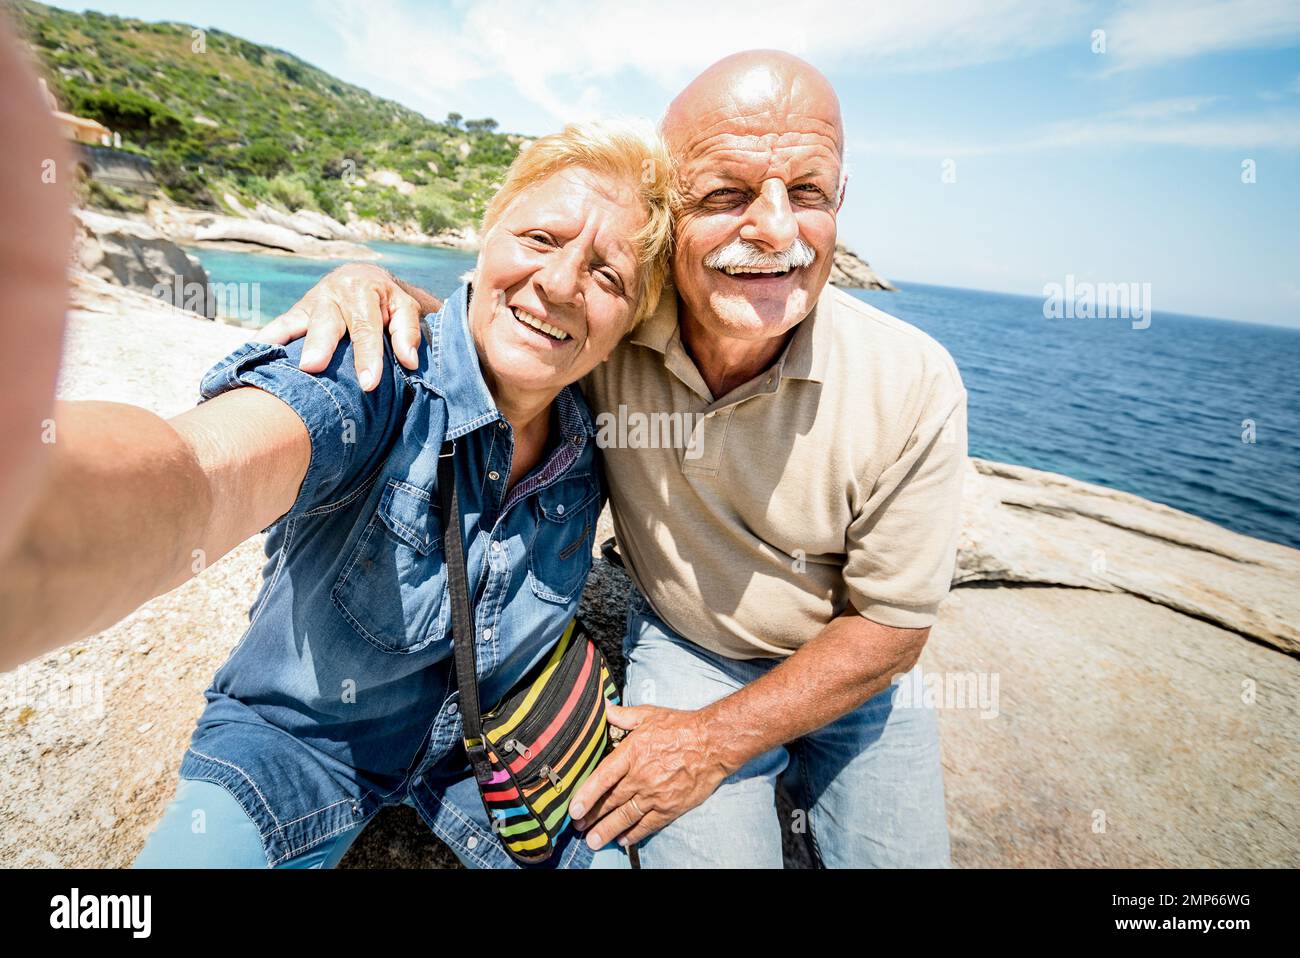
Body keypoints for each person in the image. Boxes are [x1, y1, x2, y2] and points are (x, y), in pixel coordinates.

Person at [261, 50, 969, 868]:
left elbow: (889, 629)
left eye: (807, 191)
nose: (776, 229)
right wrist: (371, 289)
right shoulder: (617, 324)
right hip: (691, 647)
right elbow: (501, 322)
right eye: (726, 195)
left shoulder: (911, 380)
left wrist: (715, 742)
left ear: (840, 198)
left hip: (852, 674)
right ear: (670, 227)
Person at [0, 119, 675, 868]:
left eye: (607, 275)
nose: (559, 282)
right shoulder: (371, 371)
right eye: (540, 240)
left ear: (626, 334)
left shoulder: (595, 437)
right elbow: (200, 469)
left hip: (496, 760)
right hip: (299, 751)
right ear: (483, 246)